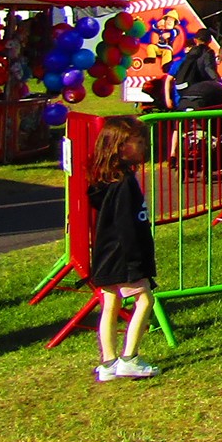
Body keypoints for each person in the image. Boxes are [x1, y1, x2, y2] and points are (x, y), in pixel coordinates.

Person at [86, 116, 159, 381]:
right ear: (119, 146)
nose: (143, 147)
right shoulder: (124, 184)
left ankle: (107, 363)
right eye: (137, 143)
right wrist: (136, 261)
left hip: (105, 254)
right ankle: (130, 358)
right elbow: (126, 225)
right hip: (125, 256)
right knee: (144, 299)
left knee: (110, 304)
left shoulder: (103, 178)